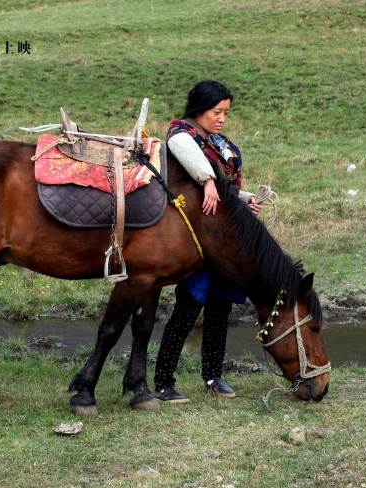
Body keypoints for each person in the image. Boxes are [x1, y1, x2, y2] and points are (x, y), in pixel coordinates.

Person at [154, 80, 262, 403]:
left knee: (220, 307)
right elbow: (194, 165)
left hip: (224, 239)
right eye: (217, 112)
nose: (222, 119)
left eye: (226, 113)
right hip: (199, 240)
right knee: (188, 308)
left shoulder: (215, 141)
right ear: (200, 109)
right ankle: (162, 381)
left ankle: (214, 375)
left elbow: (223, 188)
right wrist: (208, 180)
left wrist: (243, 198)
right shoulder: (181, 135)